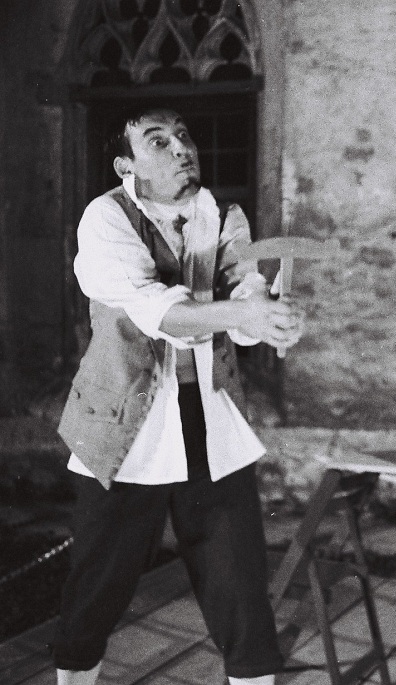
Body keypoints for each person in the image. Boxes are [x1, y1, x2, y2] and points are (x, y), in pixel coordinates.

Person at [52, 107, 304, 685]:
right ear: (127, 165)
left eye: (183, 136)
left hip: (211, 425)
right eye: (158, 141)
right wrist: (242, 314)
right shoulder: (106, 219)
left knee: (241, 591)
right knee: (96, 587)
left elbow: (244, 296)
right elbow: (158, 311)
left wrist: (270, 319)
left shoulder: (226, 216)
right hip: (123, 427)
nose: (181, 148)